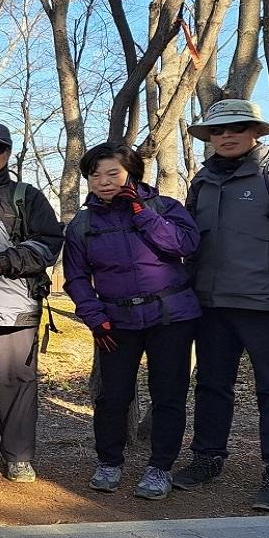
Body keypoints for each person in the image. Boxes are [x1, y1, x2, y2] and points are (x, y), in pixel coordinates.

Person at [177, 99, 269, 512]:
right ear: (209, 137)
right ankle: (207, 458)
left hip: (268, 307)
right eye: (217, 130)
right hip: (210, 306)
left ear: (255, 132)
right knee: (210, 386)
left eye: (237, 128)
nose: (227, 136)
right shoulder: (203, 181)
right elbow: (191, 246)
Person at [62, 143, 201, 499]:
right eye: (95, 175)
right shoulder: (83, 224)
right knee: (112, 395)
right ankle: (109, 461)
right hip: (115, 321)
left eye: (113, 173)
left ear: (132, 174)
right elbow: (76, 277)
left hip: (171, 317)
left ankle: (160, 467)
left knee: (168, 394)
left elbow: (184, 245)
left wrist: (142, 212)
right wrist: (95, 318)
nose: (104, 182)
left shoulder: (165, 208)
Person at [0, 122, 63, 483]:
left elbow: (49, 243)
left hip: (17, 303)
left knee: (18, 380)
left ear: (8, 153)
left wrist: (2, 261)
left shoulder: (27, 196)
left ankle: (19, 455)